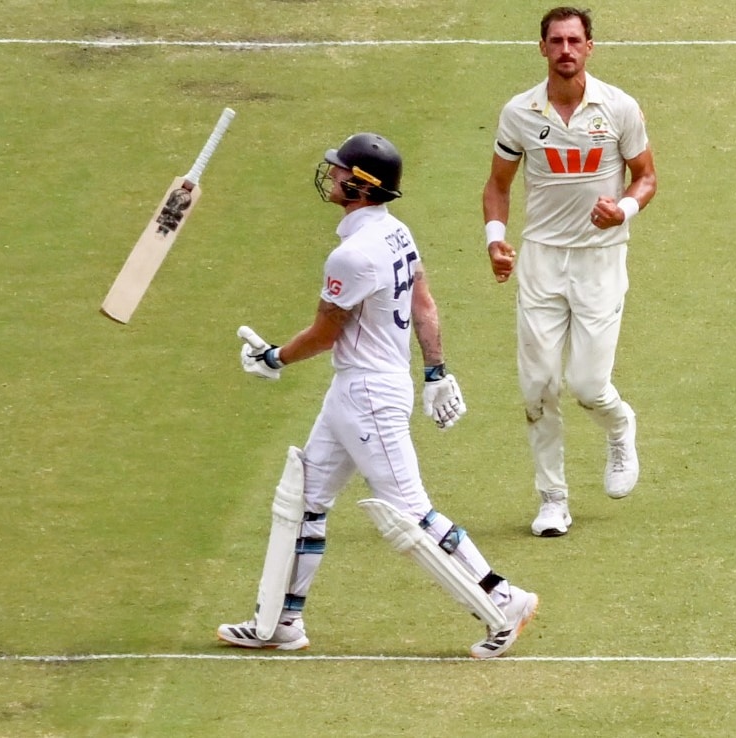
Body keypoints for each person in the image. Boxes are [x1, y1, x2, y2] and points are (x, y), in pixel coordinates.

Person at [217, 132, 538, 658]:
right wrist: (435, 371)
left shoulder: (352, 256)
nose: (332, 175)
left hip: (367, 395)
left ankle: (504, 599)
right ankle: (281, 621)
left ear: (361, 186)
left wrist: (274, 357)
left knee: (411, 513)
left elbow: (325, 334)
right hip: (359, 389)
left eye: (341, 171)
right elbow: (424, 303)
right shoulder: (396, 233)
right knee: (305, 500)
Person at [482, 6, 658, 537]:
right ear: (542, 48)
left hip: (600, 261)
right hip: (541, 260)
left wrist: (622, 210)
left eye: (574, 40)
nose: (565, 50)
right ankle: (552, 499)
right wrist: (496, 240)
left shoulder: (619, 107)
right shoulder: (519, 113)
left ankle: (619, 424)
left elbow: (646, 177)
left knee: (587, 384)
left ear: (589, 47)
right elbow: (497, 185)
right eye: (556, 41)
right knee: (537, 386)